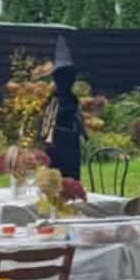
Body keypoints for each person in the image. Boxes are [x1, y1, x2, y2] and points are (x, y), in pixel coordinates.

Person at [40, 36, 83, 180]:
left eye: (69, 78)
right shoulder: (52, 98)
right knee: (55, 183)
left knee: (72, 183)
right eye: (63, 78)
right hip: (56, 148)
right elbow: (45, 124)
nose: (67, 81)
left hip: (72, 147)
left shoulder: (72, 98)